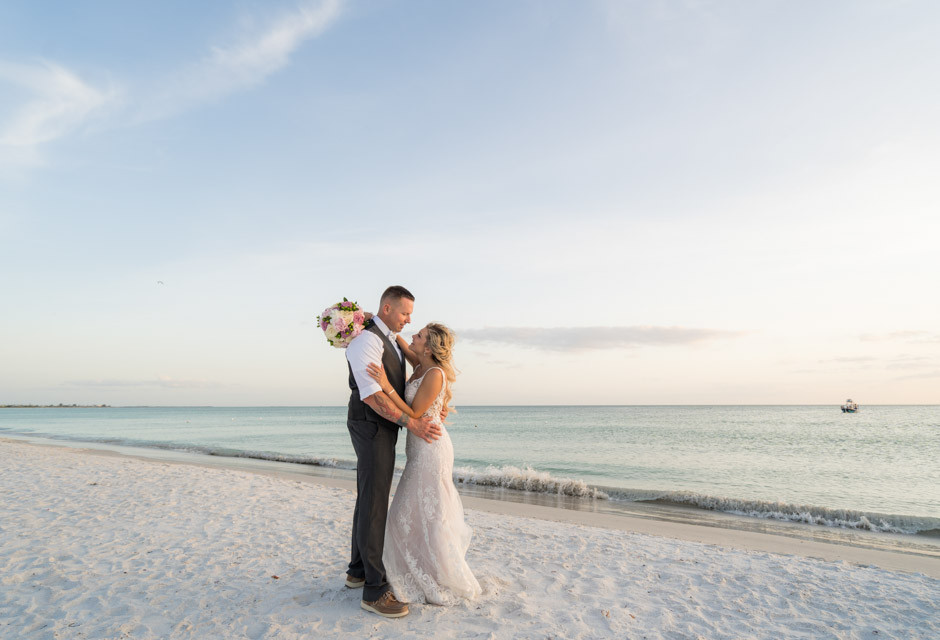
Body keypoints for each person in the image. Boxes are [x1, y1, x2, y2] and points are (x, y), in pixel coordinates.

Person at [365, 322, 482, 605]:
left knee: (423, 513)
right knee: (415, 513)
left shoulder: (434, 373)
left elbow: (415, 413)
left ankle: (436, 572)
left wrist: (385, 387)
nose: (412, 337)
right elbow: (401, 344)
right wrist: (376, 322)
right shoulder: (419, 363)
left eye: (419, 336)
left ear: (428, 346)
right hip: (418, 450)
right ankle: (417, 567)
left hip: (432, 450)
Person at [344, 286, 441, 618]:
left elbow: (430, 371)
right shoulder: (366, 342)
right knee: (374, 503)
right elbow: (373, 396)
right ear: (386, 308)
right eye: (404, 313)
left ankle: (358, 571)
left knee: (369, 496)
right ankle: (374, 590)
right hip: (371, 425)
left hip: (381, 427)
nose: (409, 319)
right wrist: (411, 424)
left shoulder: (387, 337)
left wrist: (437, 406)